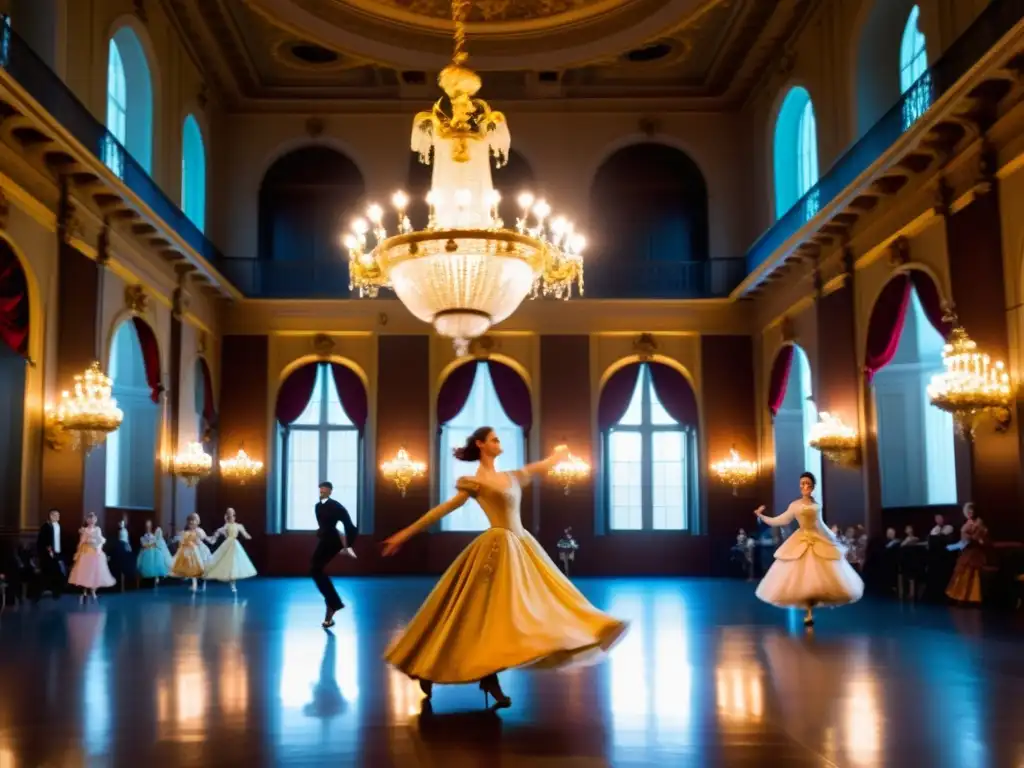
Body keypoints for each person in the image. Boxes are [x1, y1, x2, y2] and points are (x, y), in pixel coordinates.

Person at [381, 427, 627, 710]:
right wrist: (403, 535)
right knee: (476, 617)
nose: (499, 443)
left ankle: (492, 674)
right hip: (496, 549)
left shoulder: (512, 477)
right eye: (495, 439)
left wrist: (558, 455)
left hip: (522, 546)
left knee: (535, 607)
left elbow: (540, 467)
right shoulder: (474, 482)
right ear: (481, 445)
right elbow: (441, 511)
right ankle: (441, 669)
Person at [752, 471, 864, 626]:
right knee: (801, 578)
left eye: (808, 484)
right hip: (800, 540)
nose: (805, 487)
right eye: (802, 484)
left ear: (812, 487)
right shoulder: (795, 505)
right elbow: (781, 520)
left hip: (816, 540)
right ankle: (808, 612)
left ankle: (810, 611)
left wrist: (832, 538)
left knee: (817, 577)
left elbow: (821, 525)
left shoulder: (817, 505)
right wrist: (762, 516)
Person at [310, 481, 357, 628]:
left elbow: (351, 527)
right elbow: (323, 526)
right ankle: (332, 605)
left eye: (325, 490)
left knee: (315, 569)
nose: (322, 492)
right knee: (315, 570)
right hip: (326, 539)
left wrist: (348, 546)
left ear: (330, 491)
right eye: (320, 489)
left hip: (333, 542)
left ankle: (333, 603)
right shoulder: (318, 506)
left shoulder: (337, 507)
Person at [204, 508, 257, 593]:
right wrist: (211, 538)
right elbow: (217, 534)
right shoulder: (225, 526)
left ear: (234, 516)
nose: (231, 517)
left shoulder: (238, 526)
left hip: (235, 545)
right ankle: (209, 577)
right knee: (221, 561)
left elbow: (245, 534)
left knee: (234, 564)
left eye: (232, 515)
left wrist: (248, 536)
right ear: (227, 516)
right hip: (227, 545)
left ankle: (233, 584)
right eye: (229, 515)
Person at [67, 513, 116, 602]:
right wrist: (78, 551)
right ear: (87, 520)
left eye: (93, 519)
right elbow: (81, 541)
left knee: (95, 572)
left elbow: (100, 540)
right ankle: (85, 592)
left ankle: (93, 592)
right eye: (89, 519)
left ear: (95, 520)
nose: (91, 520)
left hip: (95, 552)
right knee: (86, 572)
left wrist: (98, 548)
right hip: (86, 551)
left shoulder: (97, 529)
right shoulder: (84, 530)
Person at [946, 502, 987, 604]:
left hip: (974, 552)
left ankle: (972, 598)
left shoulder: (978, 523)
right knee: (963, 573)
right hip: (967, 551)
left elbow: (979, 538)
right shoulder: (967, 524)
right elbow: (964, 540)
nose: (971, 512)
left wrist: (973, 538)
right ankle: (961, 597)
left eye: (972, 511)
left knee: (972, 574)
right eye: (969, 511)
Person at [171, 514, 212, 593]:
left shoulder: (199, 531)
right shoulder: (186, 532)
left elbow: (205, 538)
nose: (192, 522)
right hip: (192, 550)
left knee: (202, 567)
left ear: (197, 522)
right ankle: (194, 584)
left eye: (194, 520)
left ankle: (203, 582)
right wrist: (174, 539)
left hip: (200, 550)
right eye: (190, 521)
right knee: (193, 567)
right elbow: (179, 537)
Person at [35, 508, 65, 600]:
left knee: (58, 574)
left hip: (57, 554)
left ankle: (56, 593)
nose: (58, 517)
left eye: (58, 515)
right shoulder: (45, 527)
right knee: (46, 575)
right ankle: (38, 594)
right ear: (51, 516)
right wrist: (49, 550)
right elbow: (42, 541)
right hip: (47, 555)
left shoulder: (59, 526)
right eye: (56, 515)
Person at [137, 520, 169, 585]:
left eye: (149, 526)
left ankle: (156, 576)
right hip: (145, 554)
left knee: (157, 554)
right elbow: (144, 545)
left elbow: (157, 544)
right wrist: (151, 545)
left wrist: (153, 544)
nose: (148, 528)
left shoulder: (154, 536)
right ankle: (147, 577)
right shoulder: (142, 537)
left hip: (153, 553)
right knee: (148, 555)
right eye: (147, 526)